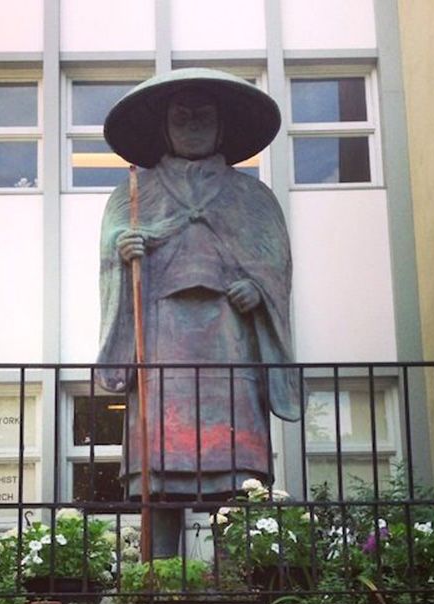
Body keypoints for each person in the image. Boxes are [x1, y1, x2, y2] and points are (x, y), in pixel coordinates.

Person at [96, 68, 300, 551]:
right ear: (164, 125)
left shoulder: (252, 196)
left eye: (203, 115)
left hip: (230, 341)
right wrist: (121, 251)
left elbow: (276, 265)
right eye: (181, 115)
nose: (192, 123)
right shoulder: (135, 194)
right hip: (162, 342)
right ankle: (156, 580)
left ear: (222, 126)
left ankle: (241, 576)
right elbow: (109, 251)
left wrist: (256, 288)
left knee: (236, 484)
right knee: (160, 479)